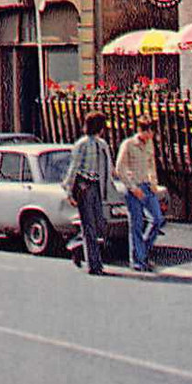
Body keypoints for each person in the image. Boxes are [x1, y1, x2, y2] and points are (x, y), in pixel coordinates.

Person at [62, 113, 115, 276]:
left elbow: (108, 168)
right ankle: (94, 265)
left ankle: (77, 248)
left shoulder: (102, 144)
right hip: (84, 186)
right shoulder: (82, 144)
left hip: (96, 186)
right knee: (89, 226)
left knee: (99, 224)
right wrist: (69, 190)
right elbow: (74, 168)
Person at [115, 119, 166, 273]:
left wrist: (153, 181)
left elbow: (151, 164)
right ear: (143, 131)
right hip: (134, 188)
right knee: (136, 224)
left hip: (147, 186)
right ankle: (138, 260)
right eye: (150, 131)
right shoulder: (128, 144)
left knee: (157, 219)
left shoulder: (149, 144)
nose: (152, 135)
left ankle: (141, 250)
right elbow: (119, 168)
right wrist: (131, 187)